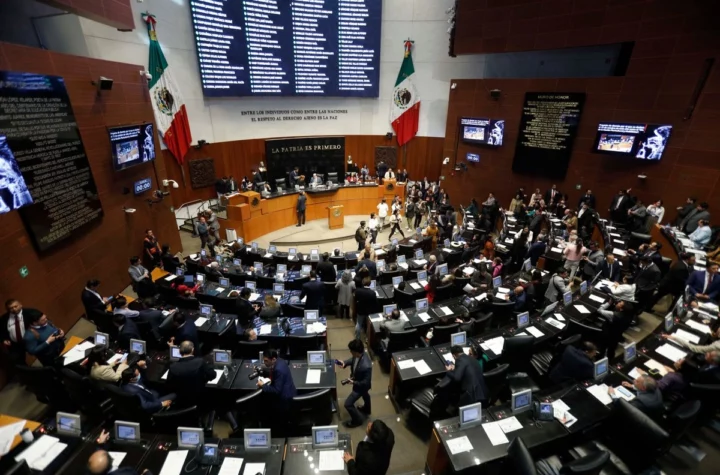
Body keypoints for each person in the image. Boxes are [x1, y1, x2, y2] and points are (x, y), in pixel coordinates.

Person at [167, 341, 216, 408]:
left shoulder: (173, 367)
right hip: (200, 398)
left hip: (181, 401)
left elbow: (169, 385)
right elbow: (212, 375)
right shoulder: (200, 362)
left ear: (179, 351)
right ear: (192, 350)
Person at [258, 348, 297, 431]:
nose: (264, 363)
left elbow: (276, 390)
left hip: (284, 400)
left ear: (273, 359)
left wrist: (263, 386)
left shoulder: (278, 370)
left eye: (266, 361)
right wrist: (262, 369)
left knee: (262, 402)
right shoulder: (280, 361)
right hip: (290, 390)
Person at [338, 339, 373, 428]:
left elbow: (366, 383)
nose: (350, 352)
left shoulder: (366, 366)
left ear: (356, 352)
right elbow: (353, 360)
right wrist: (345, 363)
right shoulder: (359, 355)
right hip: (358, 381)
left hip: (361, 387)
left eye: (351, 351)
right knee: (366, 395)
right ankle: (367, 409)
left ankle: (357, 421)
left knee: (348, 404)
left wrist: (354, 382)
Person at [1, 299, 39, 366]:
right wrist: (4, 339)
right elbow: (1, 331)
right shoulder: (4, 318)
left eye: (16, 306)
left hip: (31, 340)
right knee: (18, 362)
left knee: (42, 354)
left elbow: (43, 321)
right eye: (11, 308)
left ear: (20, 305)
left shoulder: (30, 312)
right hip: (15, 345)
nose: (14, 309)